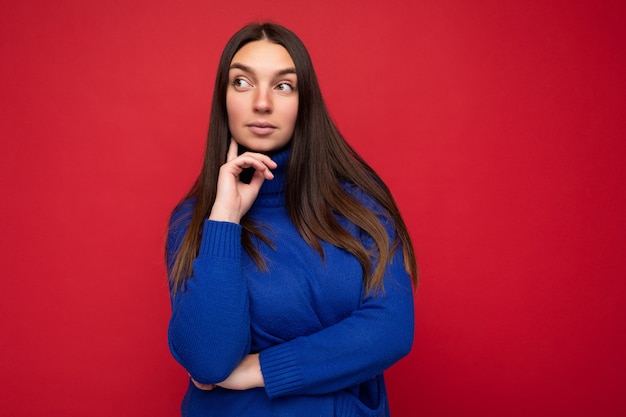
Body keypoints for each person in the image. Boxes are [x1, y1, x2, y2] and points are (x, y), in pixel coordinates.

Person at [165, 22, 418, 417]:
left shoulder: (360, 208)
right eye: (243, 83)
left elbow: (391, 330)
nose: (262, 103)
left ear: (305, 101)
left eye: (283, 86)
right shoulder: (197, 221)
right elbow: (209, 363)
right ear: (223, 99)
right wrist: (226, 217)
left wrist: (258, 369)